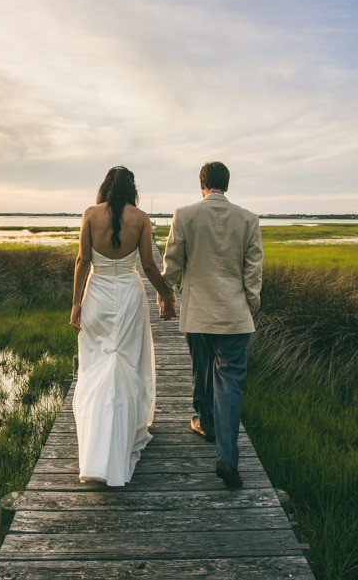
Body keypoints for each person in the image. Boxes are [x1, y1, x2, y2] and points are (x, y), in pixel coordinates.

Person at [71, 166, 176, 486]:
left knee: (98, 366)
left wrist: (76, 303)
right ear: (132, 190)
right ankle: (122, 435)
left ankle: (96, 445)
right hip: (129, 296)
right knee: (126, 363)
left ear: (105, 187)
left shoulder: (90, 214)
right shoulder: (141, 219)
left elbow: (82, 261)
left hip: (98, 296)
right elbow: (147, 264)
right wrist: (167, 295)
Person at [161, 161, 263, 489]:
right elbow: (253, 272)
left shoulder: (185, 215)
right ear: (227, 185)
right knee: (229, 379)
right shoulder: (248, 219)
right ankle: (227, 457)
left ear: (201, 184)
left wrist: (167, 298)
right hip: (234, 314)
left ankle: (205, 422)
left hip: (198, 312)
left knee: (202, 367)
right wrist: (250, 306)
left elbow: (172, 263)